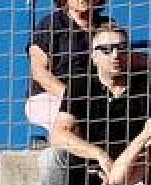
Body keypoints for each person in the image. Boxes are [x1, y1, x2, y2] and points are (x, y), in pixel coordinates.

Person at [42, 23, 151, 185]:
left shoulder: (150, 86)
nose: (115, 55)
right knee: (50, 158)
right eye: (106, 50)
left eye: (121, 48)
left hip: (134, 171)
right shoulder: (80, 84)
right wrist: (99, 155)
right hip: (88, 170)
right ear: (93, 56)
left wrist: (120, 172)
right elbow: (58, 135)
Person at [25, 0, 105, 132]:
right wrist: (71, 97)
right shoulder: (52, 23)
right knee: (75, 124)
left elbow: (123, 58)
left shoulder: (105, 26)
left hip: (93, 99)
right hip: (49, 97)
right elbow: (39, 72)